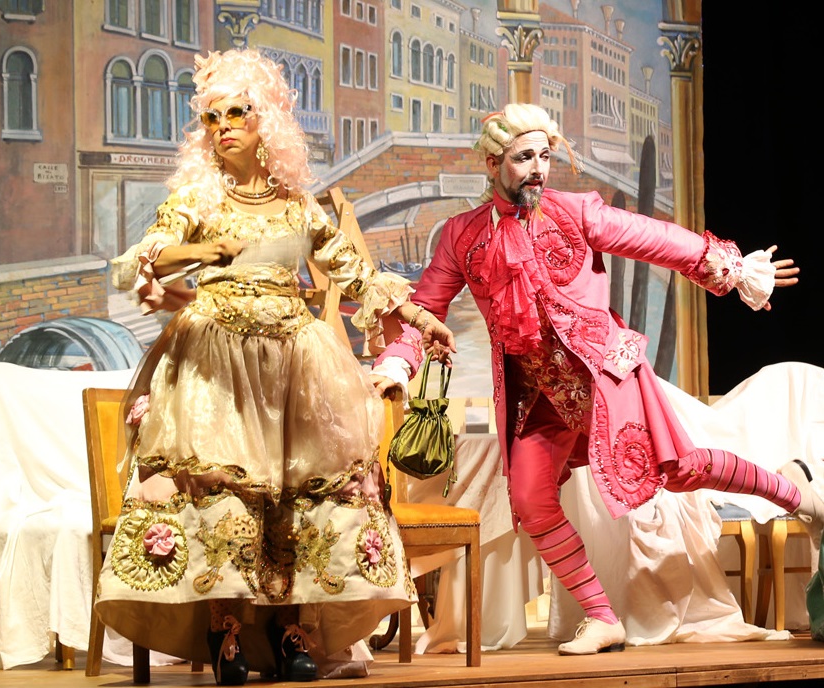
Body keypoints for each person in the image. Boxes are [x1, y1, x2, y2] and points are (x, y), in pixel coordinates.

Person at [373, 103, 824, 656]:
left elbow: (655, 238)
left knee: (679, 469)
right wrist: (397, 363)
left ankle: (797, 494)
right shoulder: (462, 236)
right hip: (538, 394)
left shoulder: (575, 211)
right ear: (492, 164)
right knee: (530, 499)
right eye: (523, 157)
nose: (538, 169)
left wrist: (732, 270)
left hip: (605, 374)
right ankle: (601, 616)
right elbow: (424, 310)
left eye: (544, 156)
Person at [95, 49, 450, 685]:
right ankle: (225, 628)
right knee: (226, 491)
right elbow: (147, 259)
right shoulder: (198, 198)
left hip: (292, 360)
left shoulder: (298, 205)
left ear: (267, 123)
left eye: (237, 112)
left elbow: (357, 273)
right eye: (212, 117)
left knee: (296, 495)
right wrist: (206, 248)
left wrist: (420, 318)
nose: (223, 126)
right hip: (217, 361)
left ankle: (292, 630)